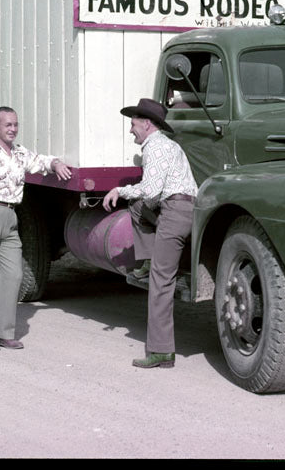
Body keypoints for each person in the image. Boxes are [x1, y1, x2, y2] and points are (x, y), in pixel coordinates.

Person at [0, 106, 72, 352]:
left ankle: (5, 333)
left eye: (15, 124)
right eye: (8, 125)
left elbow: (40, 162)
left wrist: (56, 163)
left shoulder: (19, 153)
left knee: (13, 274)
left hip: (10, 216)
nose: (13, 129)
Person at [101, 98, 198, 369]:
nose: (130, 129)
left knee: (161, 282)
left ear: (146, 124)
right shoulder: (170, 145)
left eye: (133, 124)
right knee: (137, 207)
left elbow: (152, 191)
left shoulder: (154, 147)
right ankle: (147, 260)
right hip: (186, 210)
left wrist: (119, 190)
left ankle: (161, 351)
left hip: (174, 212)